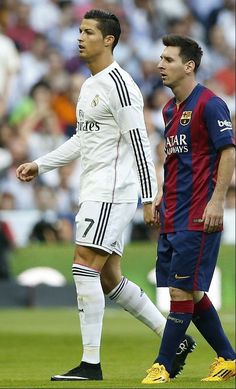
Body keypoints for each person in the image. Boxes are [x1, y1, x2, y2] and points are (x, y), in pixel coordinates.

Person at [16, 10, 195, 382]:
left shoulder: (120, 83)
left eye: (89, 32)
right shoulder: (90, 85)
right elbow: (84, 139)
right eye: (79, 31)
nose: (80, 38)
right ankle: (173, 338)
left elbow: (140, 140)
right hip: (96, 187)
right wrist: (41, 164)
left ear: (108, 40)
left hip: (113, 190)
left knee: (83, 266)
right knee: (109, 277)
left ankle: (91, 364)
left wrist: (150, 196)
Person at [142, 34, 235, 384]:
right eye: (161, 58)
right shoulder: (169, 109)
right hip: (173, 213)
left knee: (181, 292)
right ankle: (228, 357)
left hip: (200, 213)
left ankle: (162, 365)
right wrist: (158, 198)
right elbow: (173, 160)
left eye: (168, 59)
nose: (160, 64)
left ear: (189, 65)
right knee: (190, 293)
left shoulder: (211, 105)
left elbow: (228, 152)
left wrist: (217, 200)